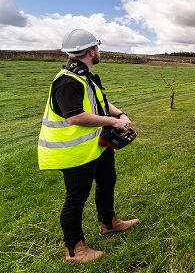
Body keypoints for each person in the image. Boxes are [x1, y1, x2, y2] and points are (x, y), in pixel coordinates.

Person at [38, 29, 140, 263]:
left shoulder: (84, 77)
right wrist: (114, 122)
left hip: (96, 146)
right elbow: (75, 116)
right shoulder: (67, 81)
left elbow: (100, 100)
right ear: (91, 51)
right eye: (98, 48)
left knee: (107, 181)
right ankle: (75, 250)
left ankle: (109, 223)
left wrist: (120, 113)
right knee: (76, 198)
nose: (99, 52)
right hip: (73, 152)